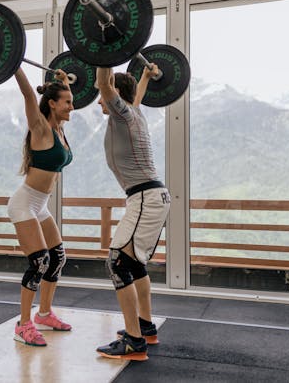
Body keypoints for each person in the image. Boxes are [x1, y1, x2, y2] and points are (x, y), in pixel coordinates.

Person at [94, 64, 171, 361]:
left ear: (115, 93)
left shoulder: (123, 114)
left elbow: (105, 83)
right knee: (134, 263)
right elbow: (135, 94)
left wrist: (105, 56)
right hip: (150, 197)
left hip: (145, 198)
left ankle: (134, 342)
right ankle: (145, 326)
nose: (100, 99)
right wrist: (146, 77)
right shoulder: (133, 112)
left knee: (117, 263)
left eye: (103, 95)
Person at [7, 67, 75, 347]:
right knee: (39, 262)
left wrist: (61, 81)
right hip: (24, 203)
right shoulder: (40, 127)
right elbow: (27, 93)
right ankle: (23, 325)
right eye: (68, 102)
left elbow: (57, 92)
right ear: (52, 104)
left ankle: (44, 314)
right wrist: (14, 64)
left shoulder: (59, 128)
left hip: (41, 204)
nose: (73, 106)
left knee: (57, 257)